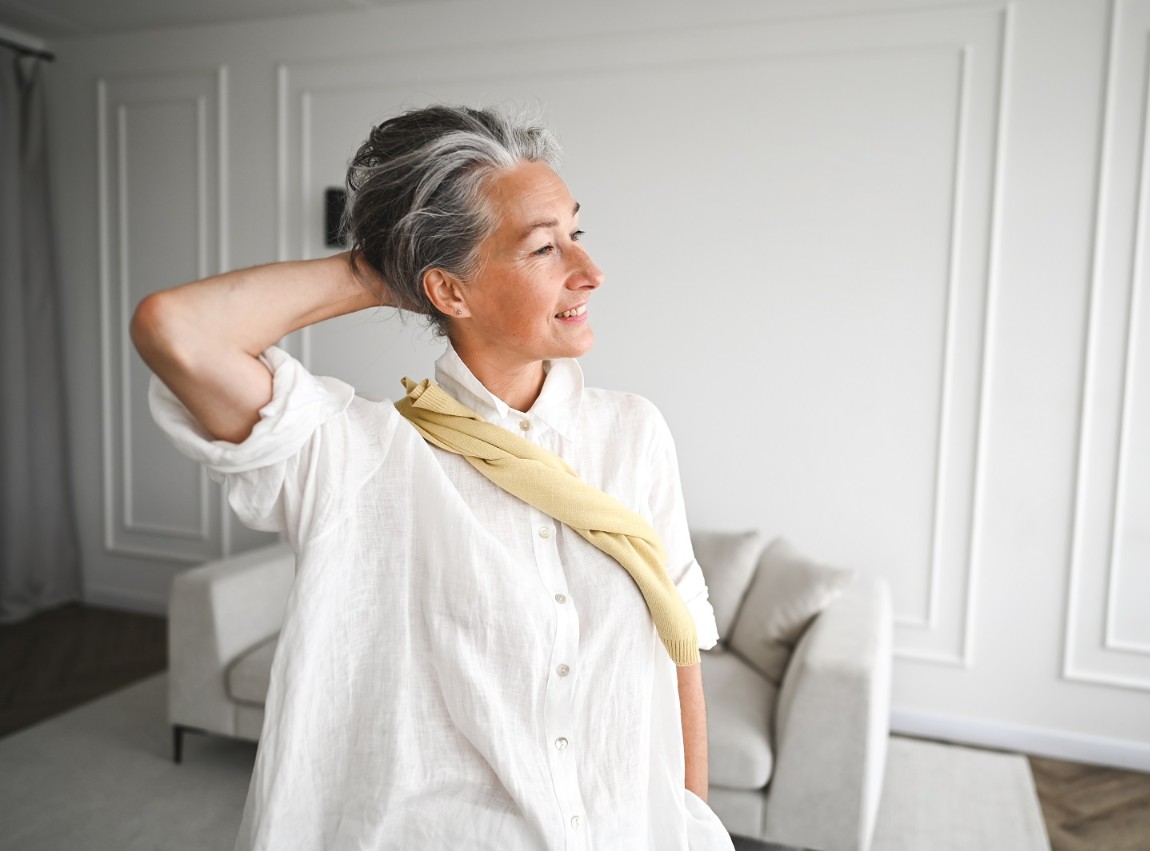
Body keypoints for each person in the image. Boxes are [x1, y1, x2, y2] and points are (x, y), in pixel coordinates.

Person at [131, 105, 733, 851]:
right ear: (449, 291)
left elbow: (680, 653)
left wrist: (692, 825)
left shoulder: (633, 433)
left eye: (576, 232)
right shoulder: (356, 455)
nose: (589, 271)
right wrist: (380, 272)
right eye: (544, 248)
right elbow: (176, 329)